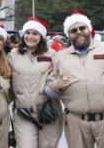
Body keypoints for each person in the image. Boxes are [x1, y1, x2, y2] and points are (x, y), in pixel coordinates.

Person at [45, 11, 104, 148]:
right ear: (68, 35)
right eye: (73, 30)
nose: (79, 32)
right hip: (76, 122)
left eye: (82, 28)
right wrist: (56, 84)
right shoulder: (60, 57)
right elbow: (48, 85)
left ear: (89, 29)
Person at [8, 17, 63, 148]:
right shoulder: (13, 55)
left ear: (41, 37)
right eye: (28, 32)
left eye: (35, 33)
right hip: (23, 113)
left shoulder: (53, 55)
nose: (30, 36)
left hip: (49, 113)